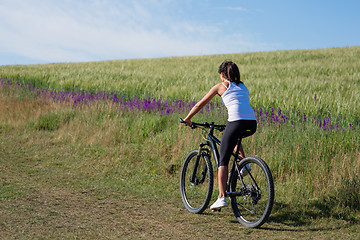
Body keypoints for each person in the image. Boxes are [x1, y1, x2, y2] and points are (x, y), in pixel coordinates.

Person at [183, 60, 257, 210]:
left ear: (222, 75)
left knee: (222, 161)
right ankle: (244, 165)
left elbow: (200, 104)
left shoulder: (221, 86)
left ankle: (221, 197)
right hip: (252, 123)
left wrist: (188, 119)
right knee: (234, 139)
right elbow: (239, 104)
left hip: (236, 122)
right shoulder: (243, 87)